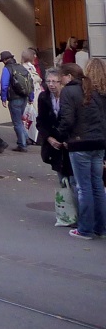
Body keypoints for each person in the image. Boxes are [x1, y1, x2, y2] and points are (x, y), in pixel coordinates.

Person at [50, 63, 106, 239]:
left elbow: (67, 119)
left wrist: (59, 136)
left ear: (68, 76)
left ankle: (85, 229)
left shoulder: (69, 92)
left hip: (79, 143)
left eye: (61, 79)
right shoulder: (94, 90)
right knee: (97, 185)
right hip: (98, 143)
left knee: (83, 187)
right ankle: (101, 227)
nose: (60, 82)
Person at [0, 50, 32, 152]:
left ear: (5, 60)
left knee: (17, 122)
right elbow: (30, 82)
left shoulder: (7, 69)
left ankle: (22, 145)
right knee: (19, 120)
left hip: (14, 99)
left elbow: (4, 85)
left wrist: (3, 98)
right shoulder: (21, 67)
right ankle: (26, 138)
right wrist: (31, 97)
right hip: (24, 97)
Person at [20, 48, 42, 145]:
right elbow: (31, 81)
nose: (35, 57)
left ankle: (33, 136)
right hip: (32, 96)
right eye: (34, 55)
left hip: (35, 94)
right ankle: (30, 137)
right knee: (30, 116)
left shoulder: (31, 66)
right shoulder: (26, 68)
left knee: (32, 116)